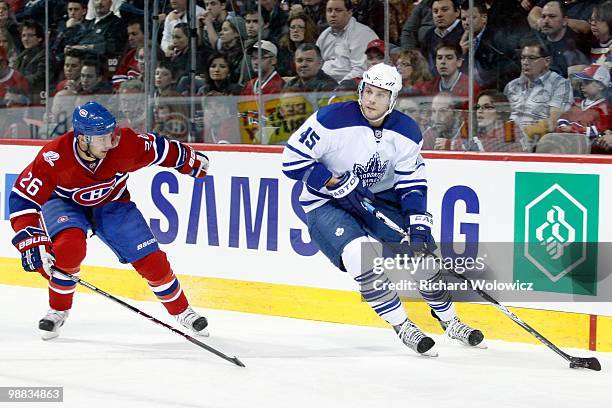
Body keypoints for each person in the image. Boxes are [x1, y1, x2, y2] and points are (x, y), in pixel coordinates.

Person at [281, 63, 484, 356]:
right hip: (326, 203)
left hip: (378, 199)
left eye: (380, 95)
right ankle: (403, 326)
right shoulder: (330, 119)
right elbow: (291, 162)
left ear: (393, 100)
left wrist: (417, 223)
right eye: (368, 91)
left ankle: (450, 320)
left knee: (422, 259)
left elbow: (412, 182)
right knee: (359, 256)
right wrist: (330, 180)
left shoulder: (406, 131)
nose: (371, 100)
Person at [9, 101, 210, 340]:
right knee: (68, 248)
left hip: (112, 203)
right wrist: (32, 241)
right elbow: (22, 199)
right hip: (64, 203)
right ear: (83, 138)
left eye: (111, 135)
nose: (110, 143)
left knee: (152, 260)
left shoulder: (123, 144)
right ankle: (58, 310)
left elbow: (159, 149)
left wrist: (188, 159)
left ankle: (183, 311)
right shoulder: (54, 157)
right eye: (102, 138)